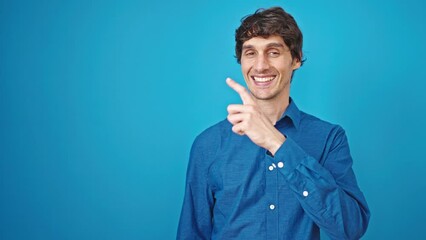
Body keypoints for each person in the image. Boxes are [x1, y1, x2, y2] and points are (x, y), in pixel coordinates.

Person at [177, 6, 370, 240]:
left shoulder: (329, 138)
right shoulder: (208, 144)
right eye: (250, 53)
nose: (260, 66)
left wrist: (277, 143)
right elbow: (191, 234)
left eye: (273, 52)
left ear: (296, 59)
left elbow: (350, 229)